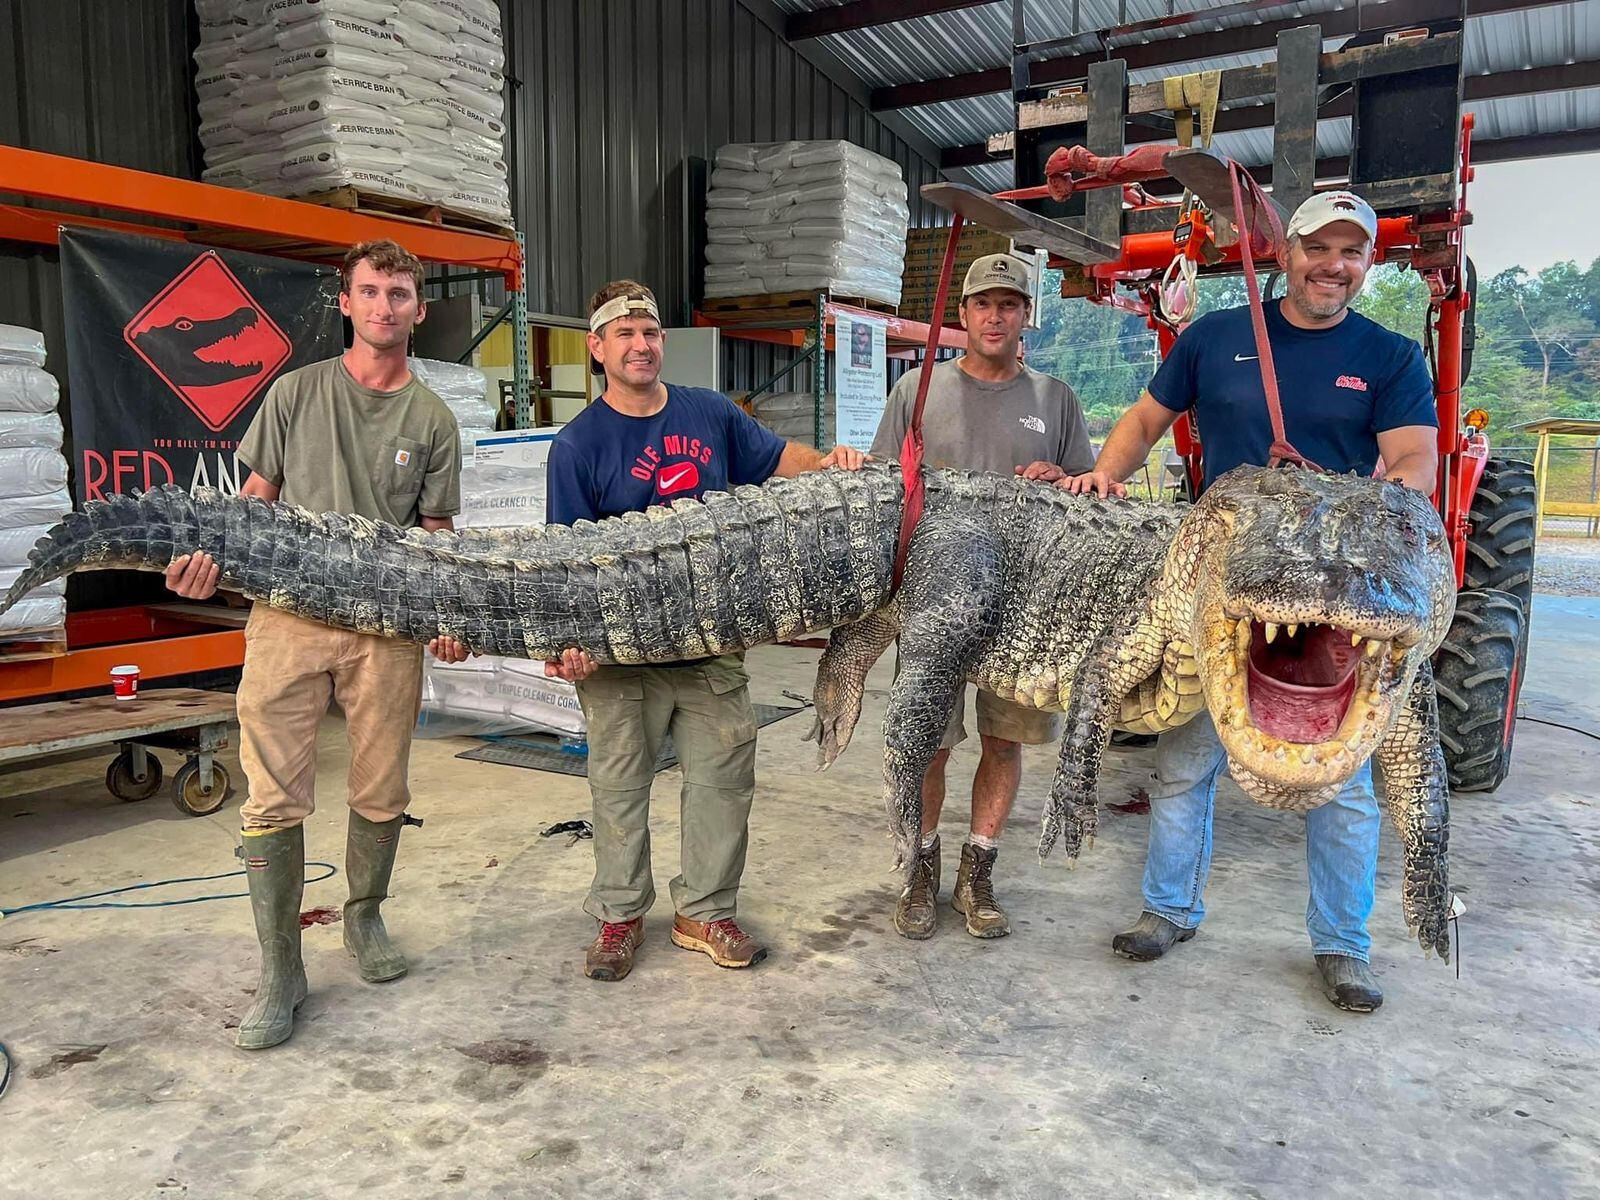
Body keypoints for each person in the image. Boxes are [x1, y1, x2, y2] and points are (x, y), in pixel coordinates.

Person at [1054, 191, 1438, 1013]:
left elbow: (1412, 465)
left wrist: (1353, 515)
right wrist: (1104, 476)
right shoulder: (1217, 337)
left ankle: (1343, 945)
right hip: (1224, 590)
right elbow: (1147, 419)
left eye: (1352, 254)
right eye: (1319, 249)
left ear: (1368, 264)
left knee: (1346, 784)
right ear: (1285, 251)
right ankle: (1168, 910)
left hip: (1334, 594)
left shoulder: (1393, 355)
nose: (1333, 267)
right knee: (1185, 758)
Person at [164, 239, 471, 1049]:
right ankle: (281, 967)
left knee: (381, 789)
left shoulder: (432, 420)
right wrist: (209, 567)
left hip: (386, 632)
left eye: (398, 293)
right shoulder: (295, 395)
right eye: (369, 291)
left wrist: (447, 614)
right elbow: (250, 510)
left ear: (418, 309)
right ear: (345, 302)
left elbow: (435, 537)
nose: (383, 307)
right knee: (271, 796)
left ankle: (364, 919)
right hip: (289, 625)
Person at [544, 280, 866, 983]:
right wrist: (564, 645)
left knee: (723, 779)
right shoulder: (577, 446)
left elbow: (781, 460)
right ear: (597, 348)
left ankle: (705, 910)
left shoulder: (711, 413)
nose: (640, 344)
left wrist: (832, 461)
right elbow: (565, 563)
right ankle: (620, 916)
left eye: (650, 331)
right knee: (619, 787)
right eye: (624, 333)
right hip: (620, 656)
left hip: (710, 645)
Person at [869, 252, 1096, 942]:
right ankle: (921, 866)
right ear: (962, 314)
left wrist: (1062, 477)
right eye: (982, 304)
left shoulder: (1056, 399)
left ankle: (979, 869)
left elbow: (1087, 495)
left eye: (1009, 303)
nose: (995, 316)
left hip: (1025, 609)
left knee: (1006, 741)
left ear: (1027, 314)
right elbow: (882, 491)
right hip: (933, 598)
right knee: (928, 743)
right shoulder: (917, 390)